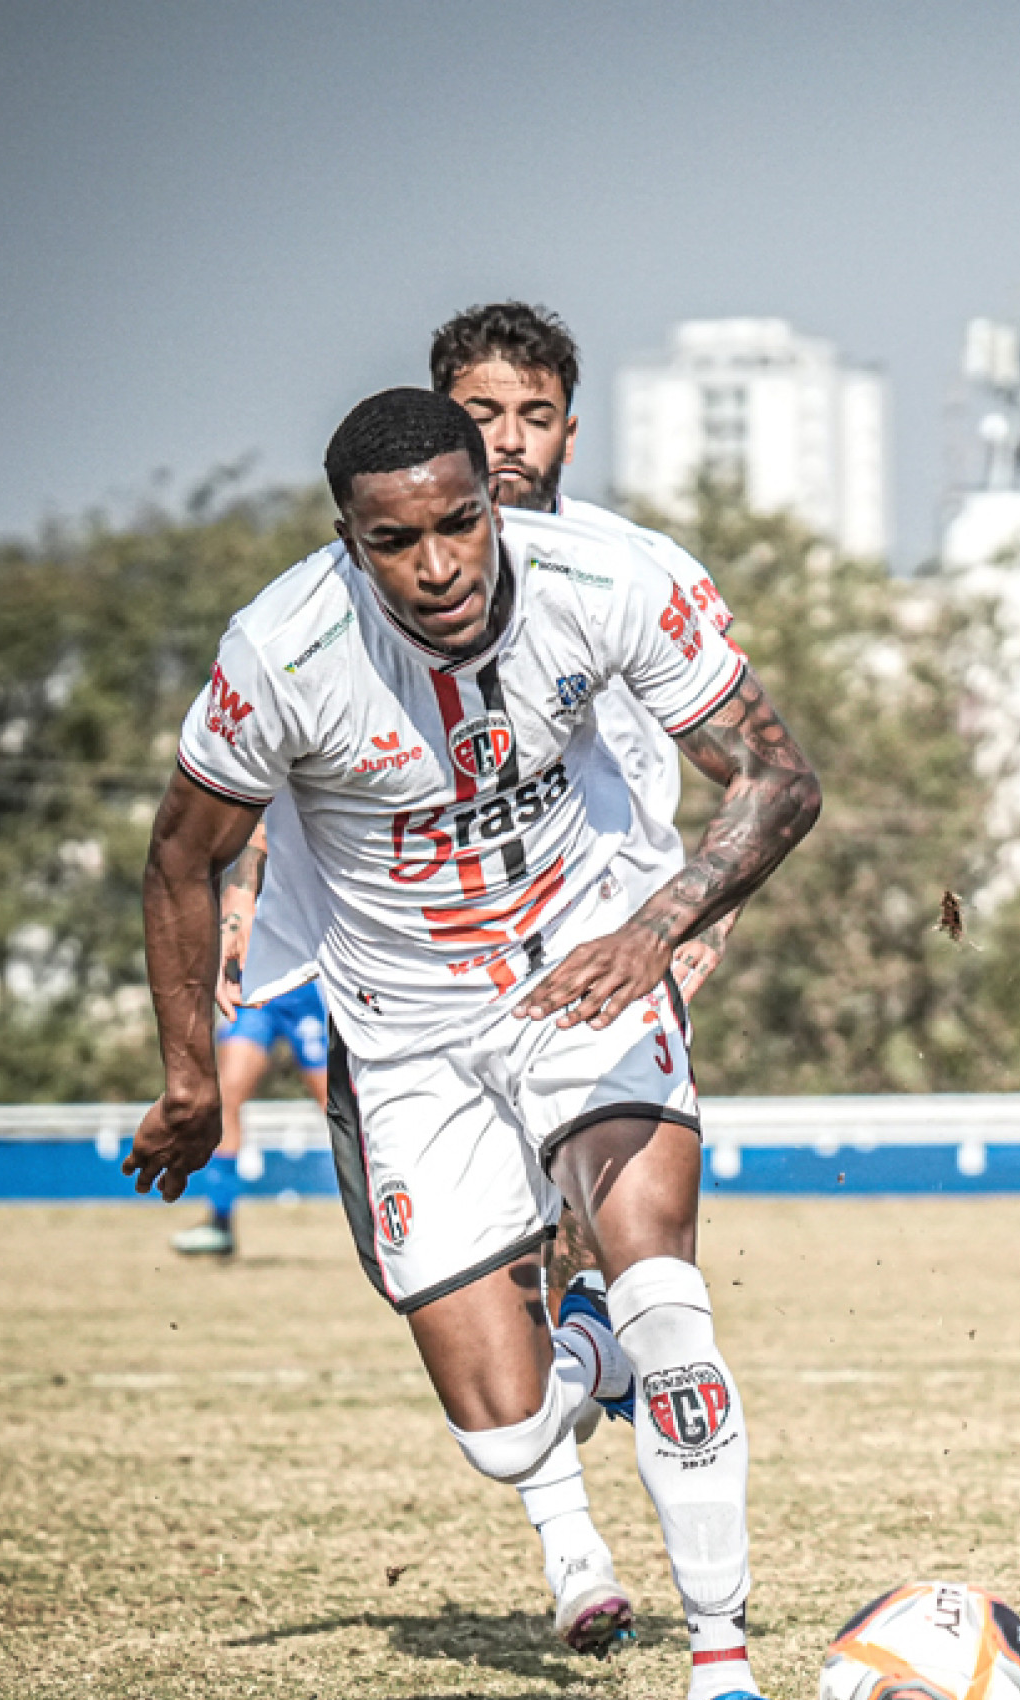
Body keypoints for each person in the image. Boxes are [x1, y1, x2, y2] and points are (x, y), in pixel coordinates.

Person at [125, 389, 830, 1700]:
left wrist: (651, 928)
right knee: (509, 1441)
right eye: (398, 542)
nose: (440, 566)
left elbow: (778, 778)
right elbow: (178, 855)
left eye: (461, 523)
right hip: (404, 1040)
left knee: (667, 1295)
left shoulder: (597, 579)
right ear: (349, 539)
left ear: (494, 502)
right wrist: (192, 1078)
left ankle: (725, 1673)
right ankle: (580, 1353)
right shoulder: (282, 652)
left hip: (586, 970)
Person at [219, 305, 742, 1303]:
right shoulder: (345, 605)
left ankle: (605, 1353)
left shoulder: (638, 571)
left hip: (598, 943)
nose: (510, 439)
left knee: (610, 1226)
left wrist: (700, 921)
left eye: (536, 414)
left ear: (570, 433)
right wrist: (248, 892)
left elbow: (750, 765)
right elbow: (285, 768)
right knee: (442, 1272)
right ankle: (567, 1382)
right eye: (483, 412)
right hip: (406, 975)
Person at [167, 950, 327, 1257]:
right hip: (254, 989)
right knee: (224, 1099)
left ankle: (382, 1211)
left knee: (338, 1107)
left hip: (306, 988)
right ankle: (220, 1223)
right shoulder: (233, 900)